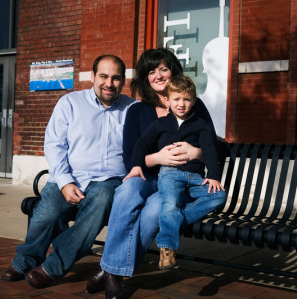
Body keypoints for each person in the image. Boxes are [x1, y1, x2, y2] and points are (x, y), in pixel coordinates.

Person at [85, 48, 225, 298]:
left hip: (177, 182)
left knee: (152, 212)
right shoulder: (138, 111)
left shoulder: (193, 104)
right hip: (147, 175)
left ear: (173, 71)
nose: (158, 75)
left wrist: (196, 153)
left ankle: (111, 273)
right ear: (145, 78)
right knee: (127, 190)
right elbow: (130, 157)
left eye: (164, 68)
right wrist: (158, 158)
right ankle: (113, 270)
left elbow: (214, 146)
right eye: (152, 71)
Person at [1, 55, 136, 289]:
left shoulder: (133, 109)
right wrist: (64, 182)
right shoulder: (70, 103)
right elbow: (54, 144)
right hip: (70, 176)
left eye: (115, 78)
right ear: (93, 76)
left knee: (102, 201)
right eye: (103, 76)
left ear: (123, 81)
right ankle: (25, 260)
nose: (109, 83)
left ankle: (52, 267)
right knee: (47, 213)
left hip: (110, 180)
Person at [126, 75, 226, 269]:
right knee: (170, 203)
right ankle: (167, 248)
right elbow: (141, 144)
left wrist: (213, 176)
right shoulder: (161, 124)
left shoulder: (200, 125)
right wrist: (137, 165)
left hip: (195, 177)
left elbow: (210, 151)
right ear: (168, 101)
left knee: (219, 195)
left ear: (194, 102)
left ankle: (171, 220)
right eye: (176, 99)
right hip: (170, 175)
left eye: (186, 99)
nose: (181, 104)